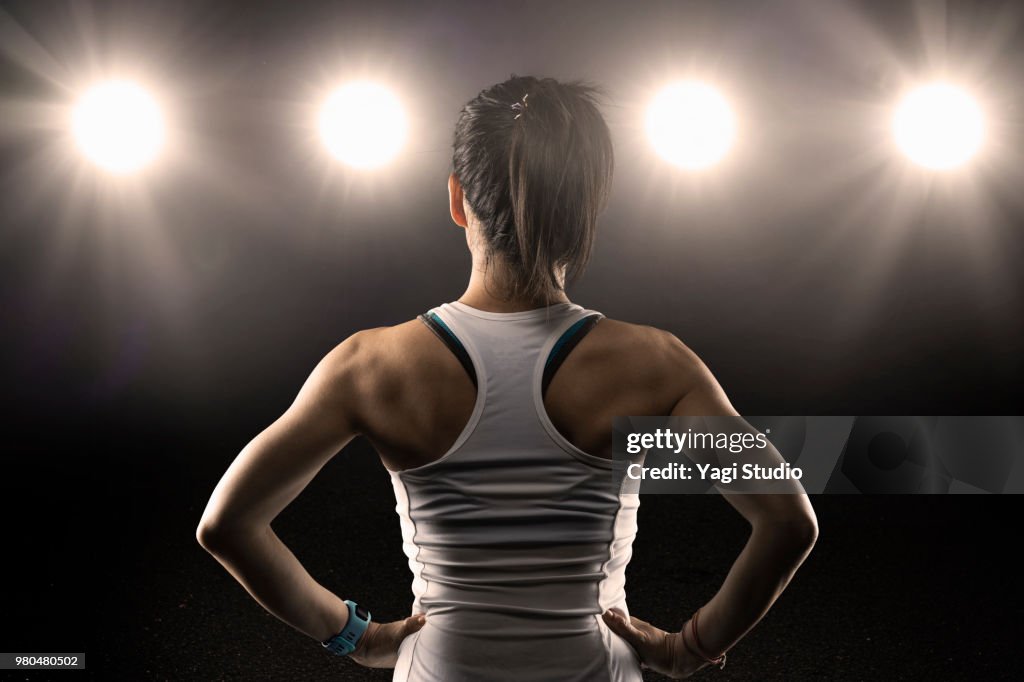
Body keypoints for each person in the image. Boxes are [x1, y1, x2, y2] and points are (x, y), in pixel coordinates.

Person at [196, 74, 818, 681]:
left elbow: (227, 525)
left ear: (457, 199)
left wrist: (358, 638)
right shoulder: (655, 364)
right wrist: (690, 648)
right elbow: (788, 522)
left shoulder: (370, 364)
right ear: (588, 207)